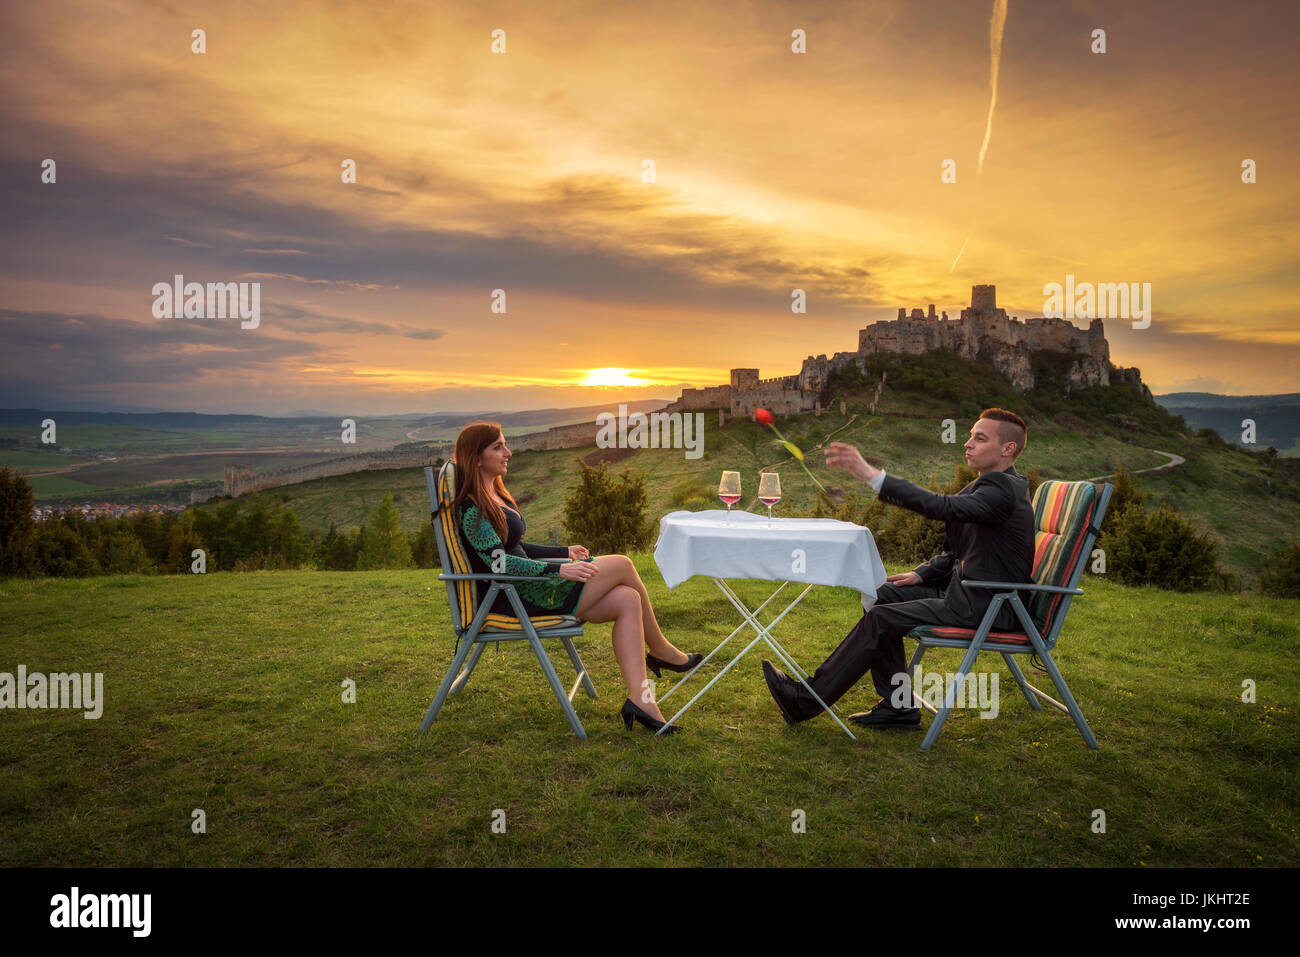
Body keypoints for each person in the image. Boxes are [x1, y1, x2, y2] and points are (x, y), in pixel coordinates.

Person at [761, 408, 1036, 730]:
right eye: (970, 436)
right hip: (970, 594)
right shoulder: (991, 486)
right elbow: (962, 549)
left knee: (882, 616)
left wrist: (871, 475)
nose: (967, 444)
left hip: (990, 605)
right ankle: (898, 708)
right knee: (880, 594)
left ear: (1008, 449)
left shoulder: (1001, 490)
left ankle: (805, 699)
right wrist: (923, 572)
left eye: (979, 438)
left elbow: (940, 507)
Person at [452, 422, 701, 734]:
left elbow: (515, 548)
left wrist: (562, 551)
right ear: (477, 457)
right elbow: (498, 562)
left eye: (505, 445)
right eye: (498, 447)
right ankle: (662, 650)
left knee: (628, 599)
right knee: (623, 564)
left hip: (531, 587)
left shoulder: (493, 493)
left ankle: (642, 701)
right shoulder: (471, 507)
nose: (508, 453)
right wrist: (560, 569)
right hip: (516, 597)